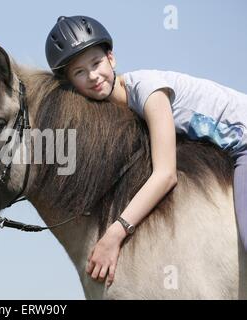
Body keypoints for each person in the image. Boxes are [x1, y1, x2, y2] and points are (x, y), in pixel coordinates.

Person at [45, 15, 247, 286]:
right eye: (80, 72)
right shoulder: (121, 112)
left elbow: (165, 175)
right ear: (71, 84)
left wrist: (114, 234)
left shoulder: (149, 92)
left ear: (111, 59)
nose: (93, 76)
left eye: (96, 63)